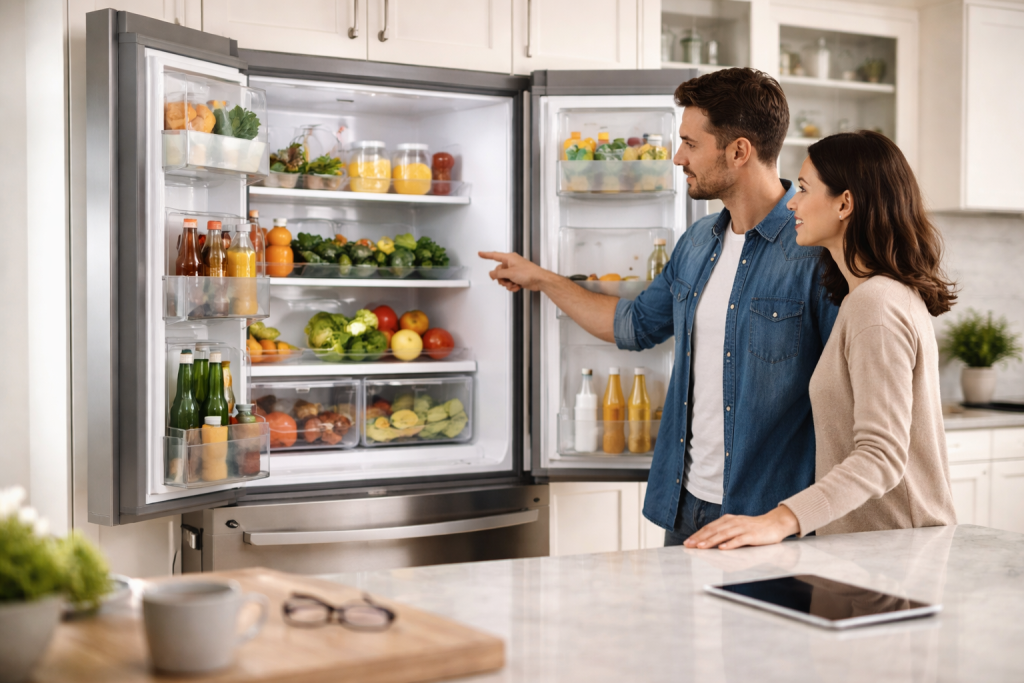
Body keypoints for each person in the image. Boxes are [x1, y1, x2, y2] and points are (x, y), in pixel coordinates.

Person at [480, 68, 839, 546]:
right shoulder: (697, 243)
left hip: (769, 519)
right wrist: (542, 279)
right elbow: (631, 326)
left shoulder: (815, 250)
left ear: (738, 151)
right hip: (685, 507)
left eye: (690, 144)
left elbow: (848, 403)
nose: (676, 158)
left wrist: (805, 518)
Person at [685, 131, 958, 550]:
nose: (792, 201)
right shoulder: (868, 298)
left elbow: (881, 456)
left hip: (894, 553)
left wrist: (780, 520)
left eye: (805, 189)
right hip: (872, 549)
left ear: (845, 203)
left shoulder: (876, 306)